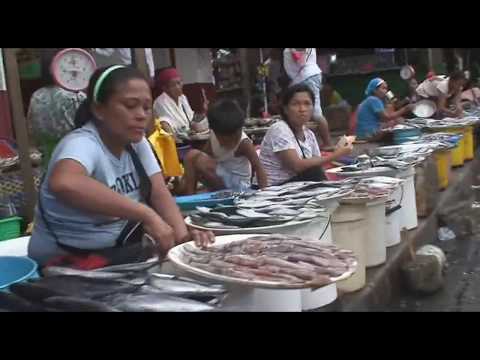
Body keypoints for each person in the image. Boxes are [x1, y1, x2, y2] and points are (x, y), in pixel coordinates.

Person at [28, 65, 214, 267]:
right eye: (130, 105)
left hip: (114, 253)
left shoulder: (137, 142)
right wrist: (146, 214)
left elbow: (159, 192)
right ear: (99, 109)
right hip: (66, 261)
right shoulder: (82, 143)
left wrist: (182, 238)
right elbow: (65, 182)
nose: (141, 115)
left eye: (146, 107)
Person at [259, 84, 353, 186]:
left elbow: (316, 164)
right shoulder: (279, 129)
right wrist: (336, 155)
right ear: (285, 109)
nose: (302, 109)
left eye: (307, 104)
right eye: (295, 104)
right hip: (275, 188)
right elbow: (296, 166)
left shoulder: (309, 134)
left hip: (297, 185)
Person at [179, 99, 268, 194]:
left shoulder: (244, 143)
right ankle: (190, 195)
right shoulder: (213, 137)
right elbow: (203, 155)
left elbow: (259, 168)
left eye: (235, 138)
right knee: (191, 155)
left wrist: (264, 193)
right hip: (220, 179)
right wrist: (187, 177)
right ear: (215, 133)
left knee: (199, 160)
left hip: (239, 187)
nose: (231, 142)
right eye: (227, 140)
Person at [27, 49, 86, 166]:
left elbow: (31, 132)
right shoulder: (77, 96)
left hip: (47, 158)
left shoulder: (37, 95)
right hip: (76, 156)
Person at [282, 48, 334, 149]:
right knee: (308, 112)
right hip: (304, 77)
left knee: (315, 113)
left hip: (306, 77)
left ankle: (328, 143)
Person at [152, 67, 208, 142]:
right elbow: (165, 125)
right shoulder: (160, 102)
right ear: (165, 88)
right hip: (176, 140)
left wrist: (204, 111)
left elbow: (191, 118)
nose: (178, 87)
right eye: (174, 85)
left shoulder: (182, 98)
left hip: (190, 135)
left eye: (179, 83)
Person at [90, 48, 155, 78]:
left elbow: (149, 56)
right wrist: (94, 49)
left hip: (144, 69)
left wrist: (152, 74)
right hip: (127, 70)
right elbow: (108, 52)